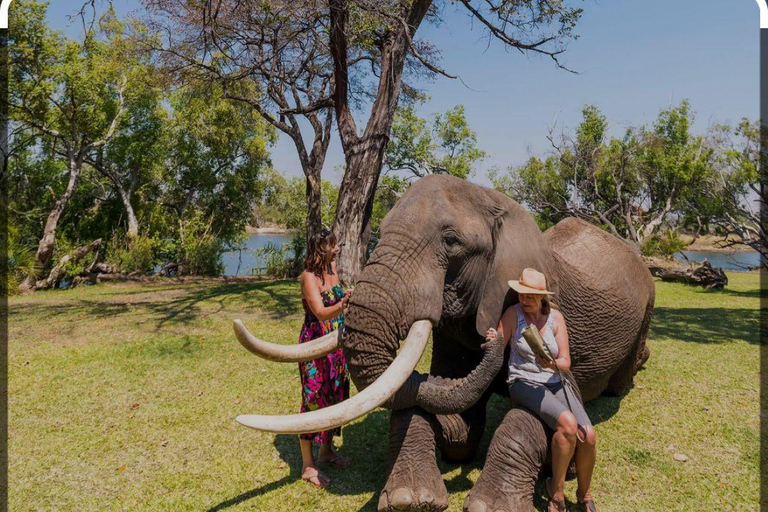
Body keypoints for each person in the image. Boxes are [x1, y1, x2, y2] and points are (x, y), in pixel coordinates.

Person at [485, 268, 598, 512]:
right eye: (521, 295)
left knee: (588, 434)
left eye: (530, 296)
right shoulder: (513, 314)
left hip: (556, 380)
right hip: (523, 382)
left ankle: (584, 492)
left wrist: (553, 364)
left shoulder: (556, 318)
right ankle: (556, 492)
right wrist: (494, 335)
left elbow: (566, 362)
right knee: (568, 424)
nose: (523, 300)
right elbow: (498, 344)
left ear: (542, 297)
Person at [297, 228, 353, 488]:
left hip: (337, 343)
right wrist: (343, 305)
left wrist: (347, 296)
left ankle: (326, 451)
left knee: (335, 394)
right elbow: (320, 313)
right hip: (315, 344)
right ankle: (308, 466)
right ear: (322, 249)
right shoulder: (308, 277)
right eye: (333, 245)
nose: (337, 248)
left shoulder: (332, 271)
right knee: (313, 396)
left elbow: (337, 298)